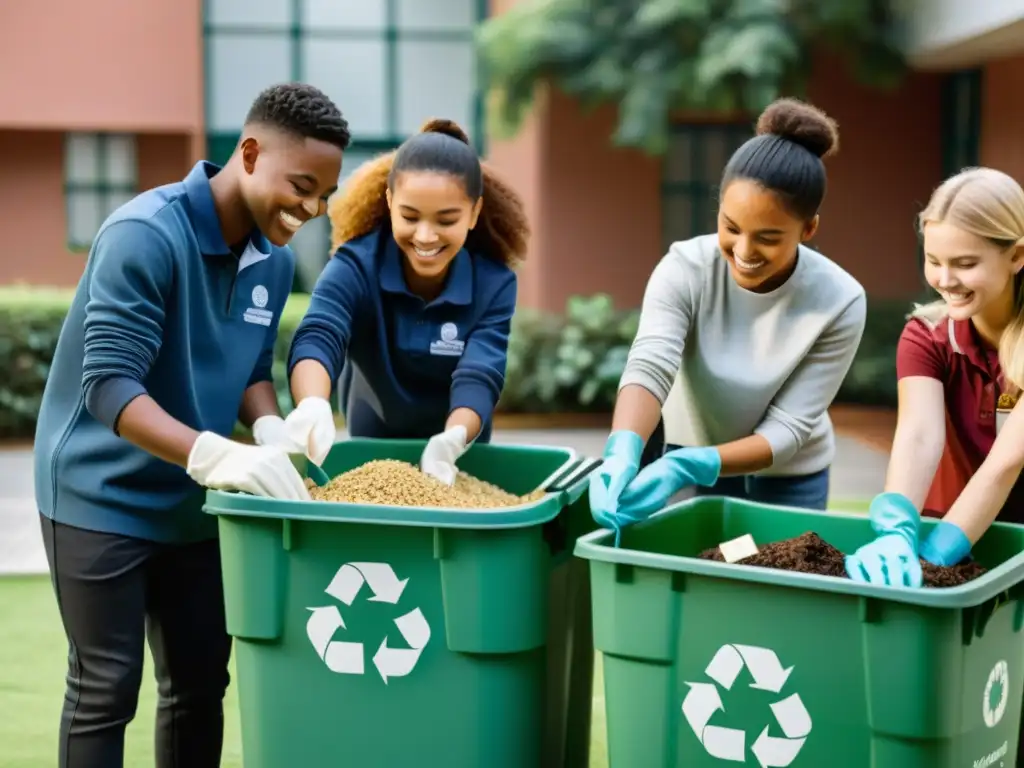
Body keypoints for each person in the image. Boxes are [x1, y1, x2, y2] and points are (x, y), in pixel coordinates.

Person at [33, 82, 350, 768]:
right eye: (301, 186)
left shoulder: (273, 259)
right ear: (249, 152)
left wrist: (271, 427)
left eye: (324, 195)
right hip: (99, 498)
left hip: (195, 506)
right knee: (105, 690)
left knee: (200, 687)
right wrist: (216, 454)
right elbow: (108, 387)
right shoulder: (144, 235)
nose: (311, 210)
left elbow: (247, 370)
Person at [588, 98, 867, 534]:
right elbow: (651, 363)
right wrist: (623, 448)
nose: (744, 251)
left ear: (808, 228)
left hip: (788, 477)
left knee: (774, 589)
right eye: (731, 227)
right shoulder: (685, 268)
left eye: (768, 238)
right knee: (697, 581)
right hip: (689, 451)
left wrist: (693, 466)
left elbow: (790, 427)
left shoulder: (840, 299)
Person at [284, 118, 530, 484]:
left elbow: (480, 371)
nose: (426, 236)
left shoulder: (494, 284)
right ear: (389, 202)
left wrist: (451, 441)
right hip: (370, 460)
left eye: (446, 220)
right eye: (410, 217)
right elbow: (321, 333)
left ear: (475, 213)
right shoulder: (355, 265)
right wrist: (313, 404)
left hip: (460, 459)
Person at [845, 167, 1024, 588]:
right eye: (934, 261)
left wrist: (936, 554)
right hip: (952, 531)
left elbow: (1006, 461)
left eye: (965, 264)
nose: (945, 280)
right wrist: (896, 532)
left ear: (1017, 256)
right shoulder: (926, 336)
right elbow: (919, 437)